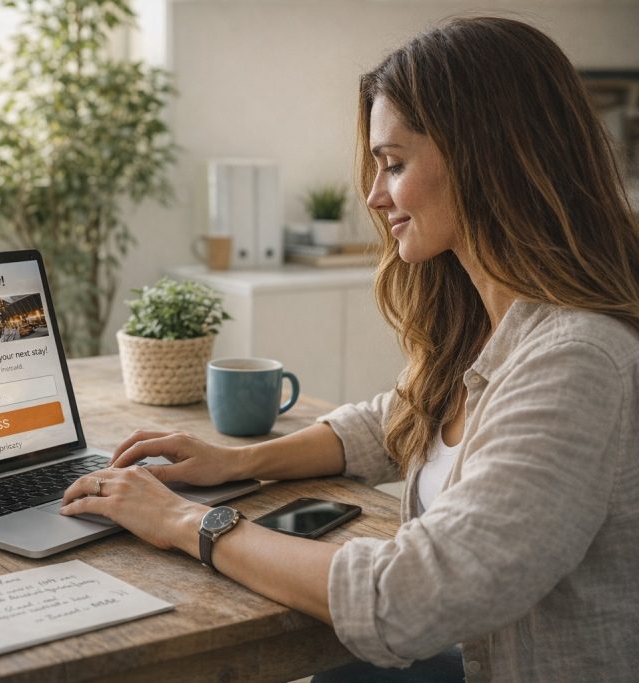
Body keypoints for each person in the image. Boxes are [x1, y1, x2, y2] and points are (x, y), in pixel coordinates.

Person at [60, 15, 639, 682]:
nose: (373, 194)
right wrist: (234, 461)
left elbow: (405, 599)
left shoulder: (578, 360)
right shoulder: (488, 322)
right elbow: (393, 419)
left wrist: (185, 520)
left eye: (393, 164)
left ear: (487, 158)